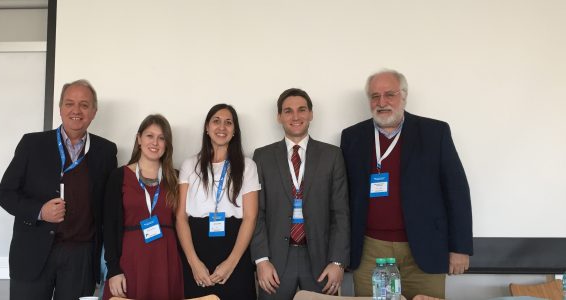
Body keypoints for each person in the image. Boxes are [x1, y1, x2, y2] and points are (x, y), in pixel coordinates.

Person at [339, 69, 473, 300]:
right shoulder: (352, 137)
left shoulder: (435, 133)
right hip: (370, 249)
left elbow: (457, 191)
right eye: (374, 96)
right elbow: (343, 197)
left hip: (424, 247)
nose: (381, 102)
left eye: (389, 94)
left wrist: (460, 248)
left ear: (404, 96)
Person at [0, 79, 118, 299]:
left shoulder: (106, 151)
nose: (76, 110)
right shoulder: (32, 144)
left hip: (80, 258)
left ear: (94, 111)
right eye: (70, 103)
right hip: (33, 253)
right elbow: (4, 194)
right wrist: (40, 211)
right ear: (60, 108)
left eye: (84, 104)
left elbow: (109, 210)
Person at [251, 88, 350, 300]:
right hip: (274, 262)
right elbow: (257, 213)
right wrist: (261, 260)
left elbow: (340, 213)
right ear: (279, 117)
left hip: (321, 261)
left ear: (311, 113)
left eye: (301, 110)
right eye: (288, 111)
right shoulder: (262, 156)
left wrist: (338, 262)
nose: (295, 116)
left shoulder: (332, 156)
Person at [176, 103, 260, 299]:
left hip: (235, 248)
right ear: (207, 128)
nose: (222, 127)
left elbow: (250, 217)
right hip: (197, 250)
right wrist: (193, 263)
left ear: (234, 131)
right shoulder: (190, 165)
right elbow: (180, 217)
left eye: (228, 123)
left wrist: (231, 263)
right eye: (216, 121)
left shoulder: (248, 166)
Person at [102, 114, 183, 300]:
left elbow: (183, 223)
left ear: (167, 144)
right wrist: (113, 270)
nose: (155, 142)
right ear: (139, 139)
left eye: (161, 138)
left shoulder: (176, 178)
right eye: (149, 136)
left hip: (166, 261)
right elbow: (109, 227)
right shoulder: (119, 176)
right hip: (130, 261)